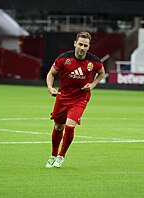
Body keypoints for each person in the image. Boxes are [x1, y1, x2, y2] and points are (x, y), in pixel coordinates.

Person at [46, 32, 105, 168]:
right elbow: (51, 73)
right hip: (63, 97)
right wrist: (50, 88)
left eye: (85, 45)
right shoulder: (63, 59)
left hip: (80, 99)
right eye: (80, 44)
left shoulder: (94, 61)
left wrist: (93, 85)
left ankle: (61, 156)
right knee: (58, 126)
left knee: (69, 126)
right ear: (75, 44)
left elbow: (101, 72)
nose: (82, 48)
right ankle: (53, 155)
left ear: (89, 47)